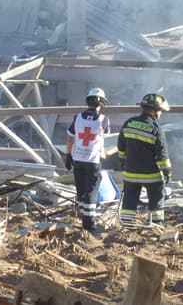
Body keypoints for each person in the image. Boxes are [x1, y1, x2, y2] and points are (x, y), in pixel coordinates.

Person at [117, 93, 172, 227]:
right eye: (160, 111)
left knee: (129, 199)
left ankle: (127, 224)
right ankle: (156, 224)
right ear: (154, 110)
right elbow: (162, 157)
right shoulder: (156, 129)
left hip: (130, 174)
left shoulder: (129, 123)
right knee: (156, 196)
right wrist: (167, 172)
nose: (160, 114)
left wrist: (124, 163)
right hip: (151, 175)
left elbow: (121, 147)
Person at [66, 87, 110, 233]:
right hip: (93, 161)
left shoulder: (77, 117)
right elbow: (105, 135)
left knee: (81, 191)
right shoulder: (104, 120)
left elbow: (70, 138)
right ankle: (89, 226)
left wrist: (68, 156)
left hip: (78, 159)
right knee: (91, 192)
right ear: (101, 103)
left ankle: (83, 220)